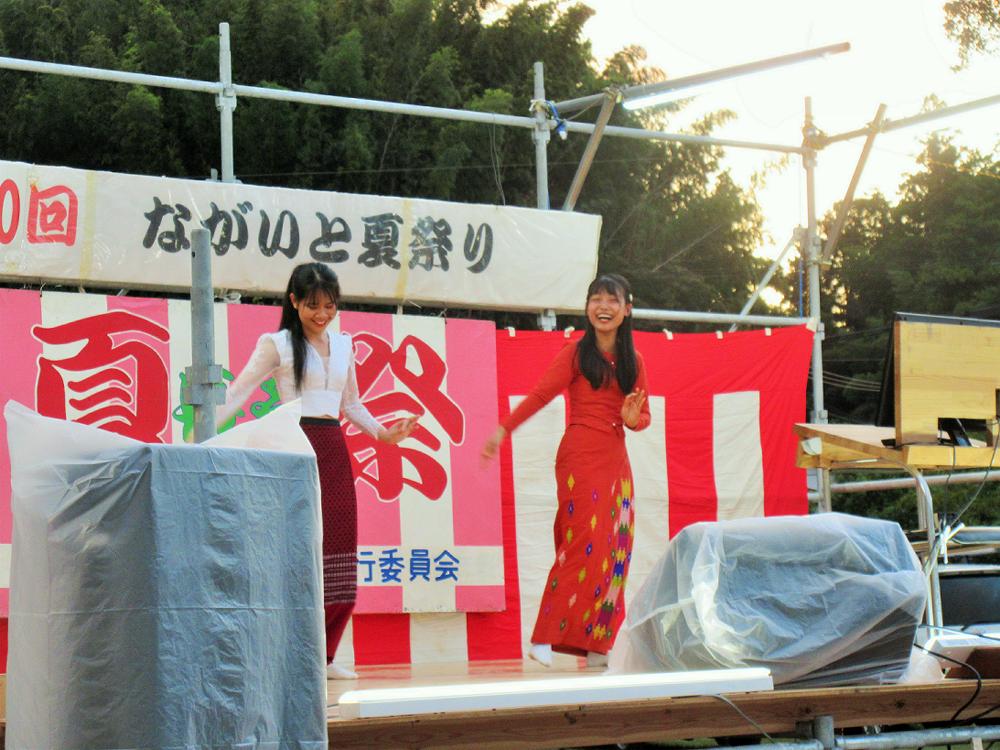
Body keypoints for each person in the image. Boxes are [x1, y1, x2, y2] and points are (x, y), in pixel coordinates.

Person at [219, 262, 419, 680]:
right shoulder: (277, 344)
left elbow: (351, 404)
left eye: (330, 306)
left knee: (340, 549)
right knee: (295, 547)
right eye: (313, 306)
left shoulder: (344, 345)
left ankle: (323, 656)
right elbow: (238, 393)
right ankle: (286, 652)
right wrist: (201, 431)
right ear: (294, 302)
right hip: (293, 447)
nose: (323, 314)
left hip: (333, 446)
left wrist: (384, 434)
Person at [482, 273, 649, 668]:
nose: (603, 307)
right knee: (581, 543)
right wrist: (504, 429)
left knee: (615, 549)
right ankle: (544, 636)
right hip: (580, 456)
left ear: (627, 309)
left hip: (616, 460)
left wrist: (632, 419)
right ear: (587, 307)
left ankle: (597, 645)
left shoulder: (634, 361)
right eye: (596, 299)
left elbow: (643, 416)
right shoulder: (576, 353)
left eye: (612, 300)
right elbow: (541, 394)